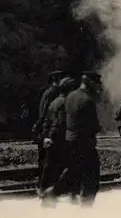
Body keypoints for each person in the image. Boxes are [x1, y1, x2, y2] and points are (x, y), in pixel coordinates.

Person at [42, 72, 103, 206]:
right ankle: (85, 206)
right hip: (85, 142)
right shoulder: (88, 100)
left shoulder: (71, 96)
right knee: (92, 177)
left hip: (70, 140)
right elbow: (93, 126)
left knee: (73, 172)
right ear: (90, 83)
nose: (99, 87)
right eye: (97, 83)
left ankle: (52, 192)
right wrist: (99, 127)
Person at [39, 77, 75, 199]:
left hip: (52, 136)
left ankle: (43, 189)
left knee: (50, 165)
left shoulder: (55, 102)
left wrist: (45, 136)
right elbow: (62, 123)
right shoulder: (66, 103)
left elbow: (47, 120)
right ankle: (63, 193)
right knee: (68, 165)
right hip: (61, 137)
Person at [32, 70, 65, 193]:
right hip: (47, 129)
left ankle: (46, 185)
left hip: (50, 127)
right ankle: (42, 185)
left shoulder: (55, 92)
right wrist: (40, 127)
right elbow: (44, 112)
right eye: (61, 79)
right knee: (46, 159)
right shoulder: (51, 93)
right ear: (55, 80)